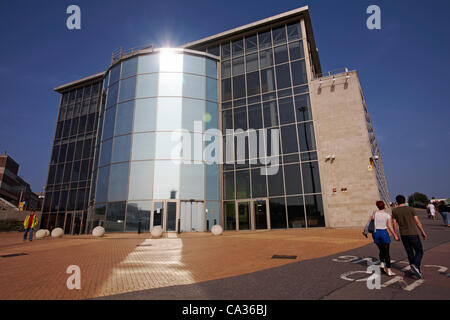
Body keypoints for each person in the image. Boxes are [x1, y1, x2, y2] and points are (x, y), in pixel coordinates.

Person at [392, 195, 427, 279]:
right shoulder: (411, 209)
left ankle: (415, 269)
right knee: (419, 251)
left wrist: (396, 234)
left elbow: (394, 224)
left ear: (397, 201)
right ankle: (416, 265)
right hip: (413, 233)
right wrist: (423, 232)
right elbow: (417, 222)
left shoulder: (394, 211)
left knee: (409, 252)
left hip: (403, 235)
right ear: (405, 200)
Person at [364, 201, 398, 276]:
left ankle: (382, 264)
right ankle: (389, 270)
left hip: (375, 233)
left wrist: (365, 231)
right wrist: (395, 235)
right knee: (386, 252)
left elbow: (369, 223)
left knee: (381, 250)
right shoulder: (387, 215)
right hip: (383, 233)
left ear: (377, 206)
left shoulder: (374, 213)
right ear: (384, 206)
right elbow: (389, 226)